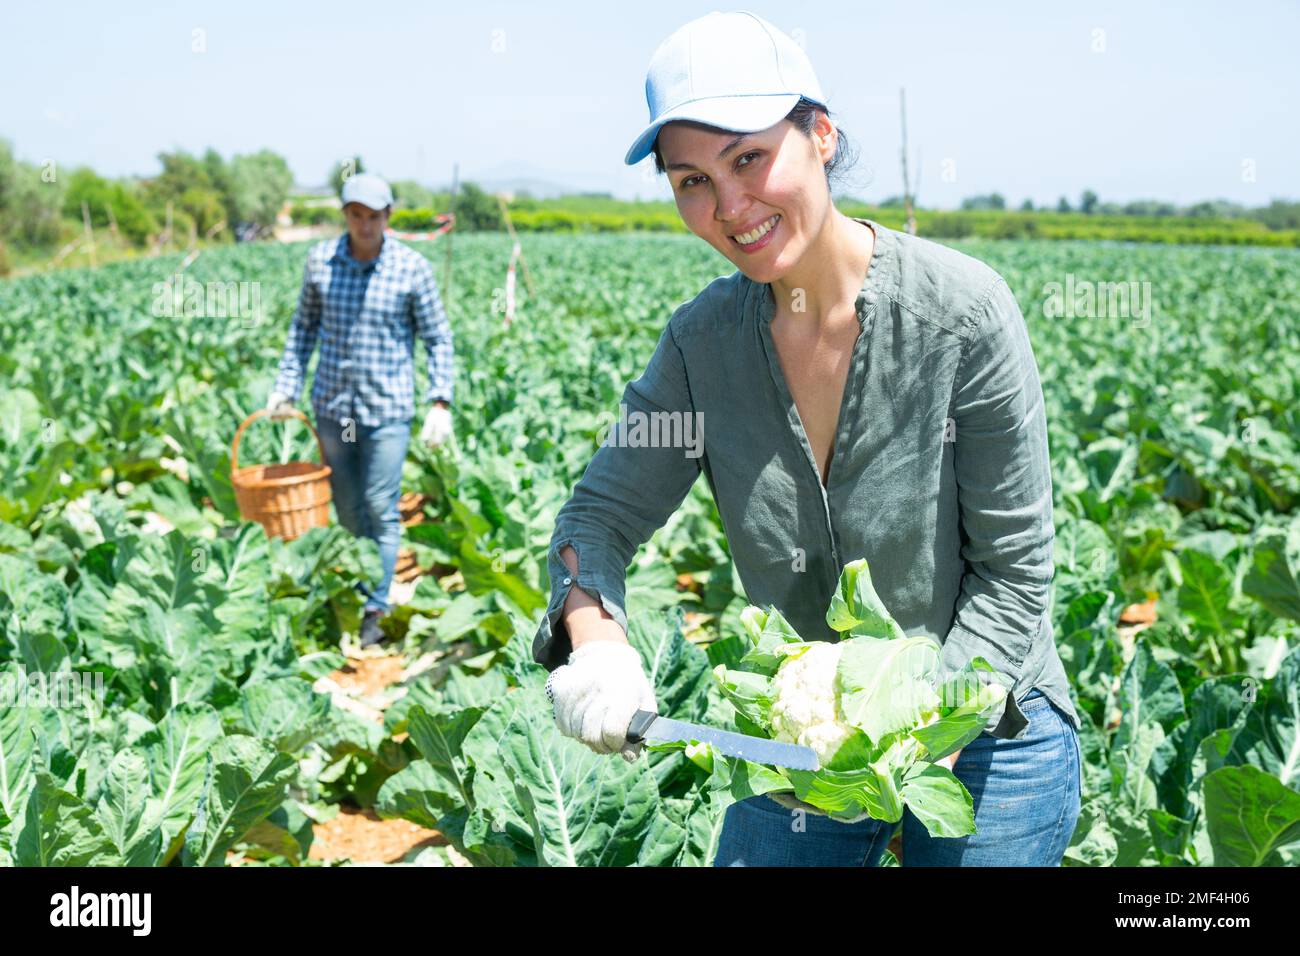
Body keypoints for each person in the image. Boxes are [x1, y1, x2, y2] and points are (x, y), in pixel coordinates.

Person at [536, 11, 1081, 866]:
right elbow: (597, 518)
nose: (729, 207)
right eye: (691, 180)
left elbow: (1016, 580)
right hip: (801, 755)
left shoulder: (962, 315)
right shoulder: (700, 350)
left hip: (990, 728)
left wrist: (894, 734)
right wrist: (596, 643)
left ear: (820, 136)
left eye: (748, 159)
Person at [268, 172, 455, 648]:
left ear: (387, 217)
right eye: (356, 215)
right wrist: (285, 386)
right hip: (336, 408)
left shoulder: (411, 269)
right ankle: (357, 583)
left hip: (387, 410)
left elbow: (437, 339)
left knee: (379, 505)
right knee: (348, 506)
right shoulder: (321, 262)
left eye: (374, 216)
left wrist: (440, 401)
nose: (364, 224)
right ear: (345, 215)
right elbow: (303, 330)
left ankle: (376, 604)